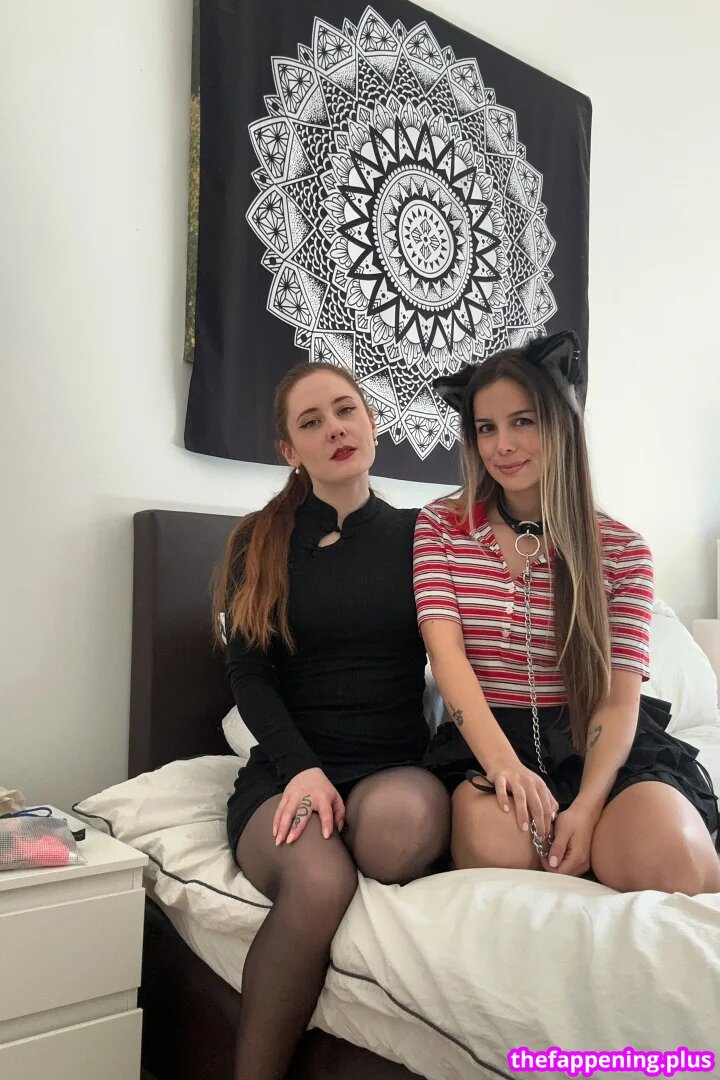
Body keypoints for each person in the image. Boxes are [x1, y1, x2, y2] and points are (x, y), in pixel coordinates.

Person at [414, 330, 720, 895]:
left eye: (523, 421)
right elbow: (446, 657)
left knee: (672, 857)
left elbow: (619, 698)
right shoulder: (441, 527)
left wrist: (588, 806)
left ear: (561, 422)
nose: (503, 445)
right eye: (486, 428)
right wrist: (505, 767)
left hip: (597, 738)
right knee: (503, 853)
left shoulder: (622, 551)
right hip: (491, 737)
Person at [213, 361, 450, 1080]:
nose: (335, 430)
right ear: (290, 450)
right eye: (311, 422)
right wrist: (303, 769)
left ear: (373, 423)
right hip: (289, 771)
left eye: (346, 411)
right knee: (320, 883)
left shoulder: (423, 536)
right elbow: (249, 676)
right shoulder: (258, 540)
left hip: (393, 767)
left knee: (395, 835)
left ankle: (355, 831)